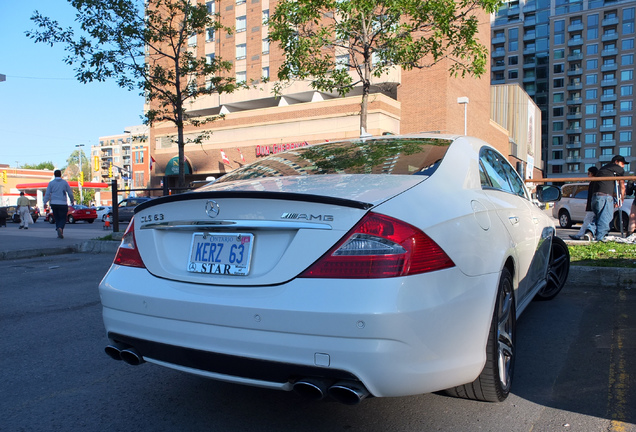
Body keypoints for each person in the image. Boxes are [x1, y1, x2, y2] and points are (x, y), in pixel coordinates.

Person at [585, 155, 626, 242]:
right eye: (623, 163)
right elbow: (622, 185)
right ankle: (601, 240)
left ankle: (590, 232)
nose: (623, 166)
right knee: (606, 219)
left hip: (595, 197)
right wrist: (621, 198)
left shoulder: (604, 168)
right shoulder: (617, 168)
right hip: (605, 197)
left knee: (598, 217)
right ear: (616, 162)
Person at [569, 166, 599, 240]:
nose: (588, 175)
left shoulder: (594, 182)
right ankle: (589, 235)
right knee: (591, 221)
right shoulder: (596, 182)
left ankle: (580, 235)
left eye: (588, 173)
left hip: (592, 206)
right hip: (594, 205)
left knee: (587, 220)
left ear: (592, 174)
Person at [43, 170, 74, 239]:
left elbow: (47, 194)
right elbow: (70, 193)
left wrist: (45, 202)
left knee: (57, 218)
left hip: (54, 203)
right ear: (61, 175)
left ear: (54, 175)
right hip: (63, 203)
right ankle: (60, 228)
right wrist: (72, 200)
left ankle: (58, 229)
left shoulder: (51, 183)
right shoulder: (64, 183)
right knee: (63, 218)